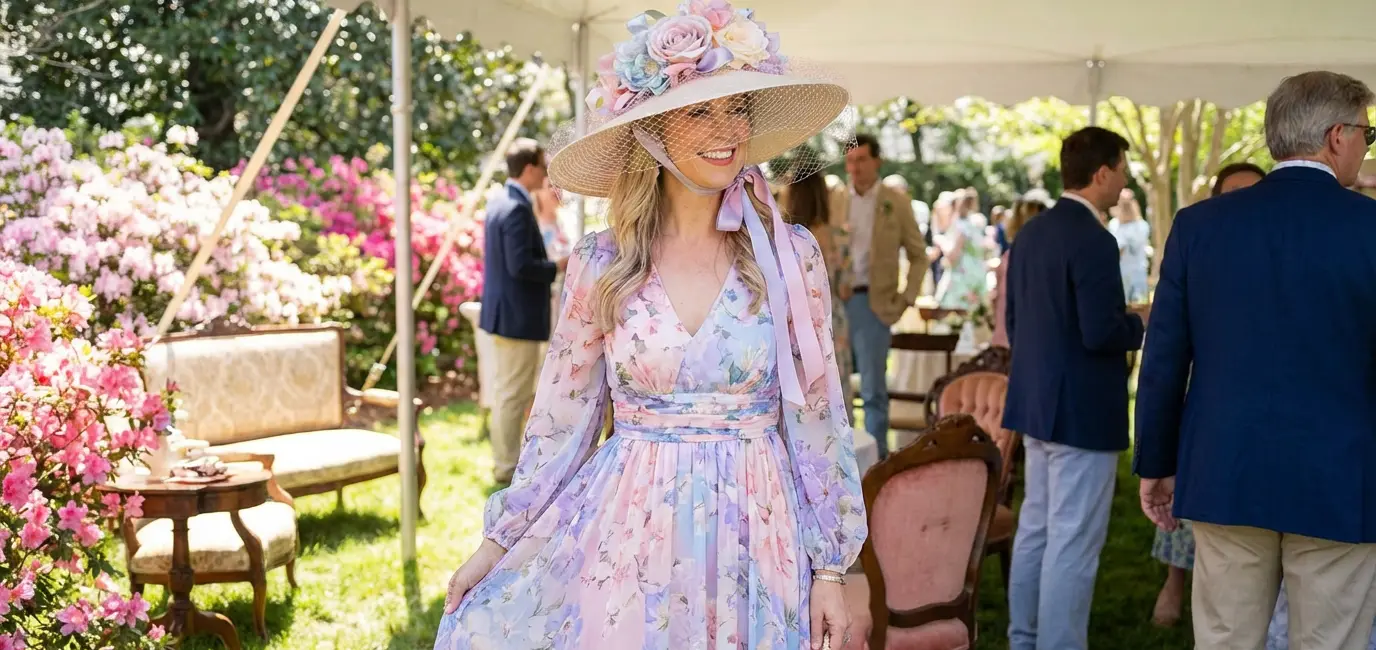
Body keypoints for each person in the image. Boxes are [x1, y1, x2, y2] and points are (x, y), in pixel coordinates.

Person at [435, 4, 866, 648]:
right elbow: (560, 420)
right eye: (700, 110)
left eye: (737, 108)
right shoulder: (601, 263)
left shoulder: (789, 253)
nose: (728, 129)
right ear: (651, 131)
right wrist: (499, 542)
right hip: (631, 532)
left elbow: (818, 415)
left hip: (759, 528)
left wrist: (832, 566)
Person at [1135, 70, 1376, 650]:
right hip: (1341, 474)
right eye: (1368, 134)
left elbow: (1164, 355)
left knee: (1224, 638)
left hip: (1226, 466)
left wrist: (1156, 462)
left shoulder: (1201, 226)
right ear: (1336, 136)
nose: (1366, 147)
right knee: (1333, 640)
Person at [1002, 126, 1146, 650]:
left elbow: (1015, 323)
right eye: (1123, 170)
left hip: (1035, 402)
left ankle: (1025, 639)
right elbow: (1101, 331)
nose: (1125, 181)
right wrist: (1141, 322)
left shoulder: (1031, 233)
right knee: (1073, 542)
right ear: (1102, 173)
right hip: (1081, 409)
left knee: (1038, 530)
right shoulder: (1094, 238)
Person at [1146, 162, 1266, 629]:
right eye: (1233, 194)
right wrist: (1156, 457)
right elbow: (1167, 351)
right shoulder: (1198, 244)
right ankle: (1174, 582)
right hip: (1211, 422)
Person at [478, 138, 568, 484]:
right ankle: (506, 467)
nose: (545, 174)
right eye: (542, 167)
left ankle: (506, 461)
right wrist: (556, 266)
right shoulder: (515, 208)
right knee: (512, 397)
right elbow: (520, 266)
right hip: (517, 318)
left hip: (505, 315)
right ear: (529, 168)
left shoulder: (500, 200)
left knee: (507, 393)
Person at [831, 133, 925, 460]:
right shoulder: (835, 200)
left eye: (861, 160)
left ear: (877, 161)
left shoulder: (895, 202)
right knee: (835, 388)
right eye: (850, 160)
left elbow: (918, 254)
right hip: (837, 303)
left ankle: (877, 465)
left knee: (872, 391)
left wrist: (906, 298)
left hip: (874, 303)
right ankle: (841, 460)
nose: (855, 167)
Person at [783, 158, 855, 411]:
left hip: (792, 322)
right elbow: (846, 288)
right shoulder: (839, 238)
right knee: (836, 390)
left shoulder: (782, 238)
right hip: (831, 319)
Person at [1107, 189, 1150, 304]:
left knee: (1140, 307)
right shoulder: (1114, 225)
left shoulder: (1141, 226)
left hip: (1138, 274)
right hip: (1121, 275)